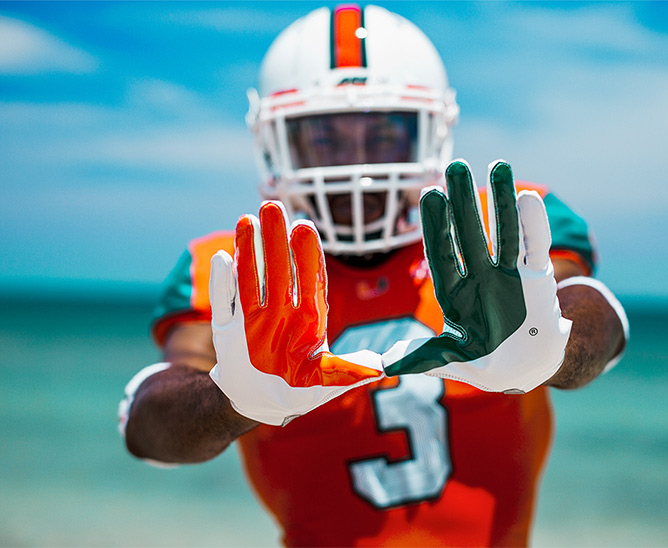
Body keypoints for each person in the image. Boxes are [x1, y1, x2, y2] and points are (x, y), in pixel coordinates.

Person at [118, 5, 629, 547]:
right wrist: (227, 402)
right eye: (324, 138)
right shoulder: (237, 268)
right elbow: (149, 428)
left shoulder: (498, 231)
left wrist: (555, 345)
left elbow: (598, 317)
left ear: (430, 134)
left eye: (384, 134)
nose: (355, 166)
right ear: (277, 144)